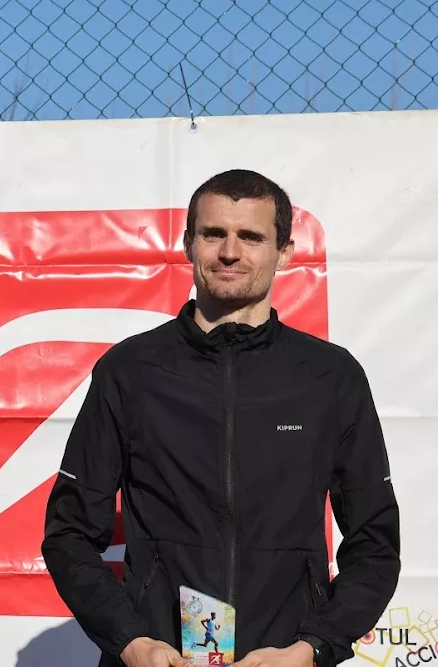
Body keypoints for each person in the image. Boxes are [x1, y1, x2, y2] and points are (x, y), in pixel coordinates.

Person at [42, 169, 401, 667]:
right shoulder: (130, 371)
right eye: (214, 234)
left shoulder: (330, 377)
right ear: (189, 243)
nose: (230, 252)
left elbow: (374, 543)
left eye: (251, 237)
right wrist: (129, 641)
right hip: (159, 656)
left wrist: (313, 648)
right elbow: (69, 534)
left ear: (285, 252)